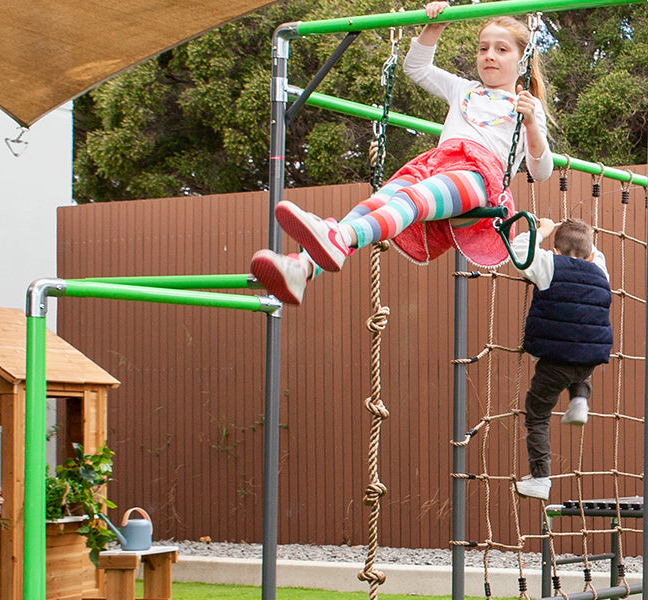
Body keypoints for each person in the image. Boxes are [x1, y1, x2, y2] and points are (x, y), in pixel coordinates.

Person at [250, 2, 554, 305]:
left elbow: (540, 171)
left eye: (501, 50)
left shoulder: (526, 105)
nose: (489, 55)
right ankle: (301, 269)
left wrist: (530, 124)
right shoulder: (464, 89)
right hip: (436, 166)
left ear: (523, 61)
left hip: (478, 179)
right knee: (375, 203)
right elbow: (417, 67)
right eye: (483, 48)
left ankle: (338, 237)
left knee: (411, 199)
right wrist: (433, 28)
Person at [504, 217, 610, 500]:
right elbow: (591, 252)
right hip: (589, 358)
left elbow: (518, 249)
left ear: (556, 250)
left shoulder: (549, 265)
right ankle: (579, 399)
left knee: (537, 413)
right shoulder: (600, 270)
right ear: (590, 253)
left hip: (555, 361)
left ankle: (540, 477)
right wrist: (581, 236)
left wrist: (543, 230)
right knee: (580, 349)